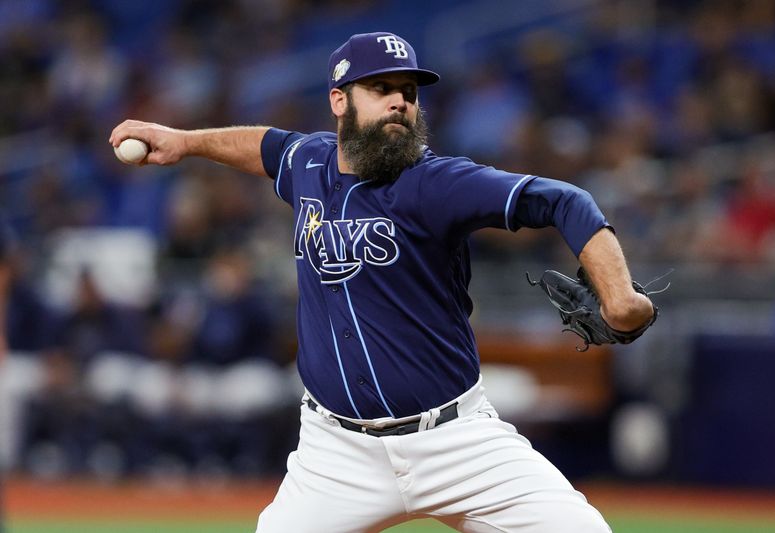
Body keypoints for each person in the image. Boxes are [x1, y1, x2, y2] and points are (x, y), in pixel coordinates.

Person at [110, 32, 654, 533]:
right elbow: (263, 147)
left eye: (408, 91)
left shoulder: (436, 182)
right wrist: (182, 140)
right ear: (339, 100)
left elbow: (564, 200)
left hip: (455, 441)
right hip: (335, 452)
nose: (400, 100)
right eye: (380, 88)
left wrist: (621, 299)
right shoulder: (310, 162)